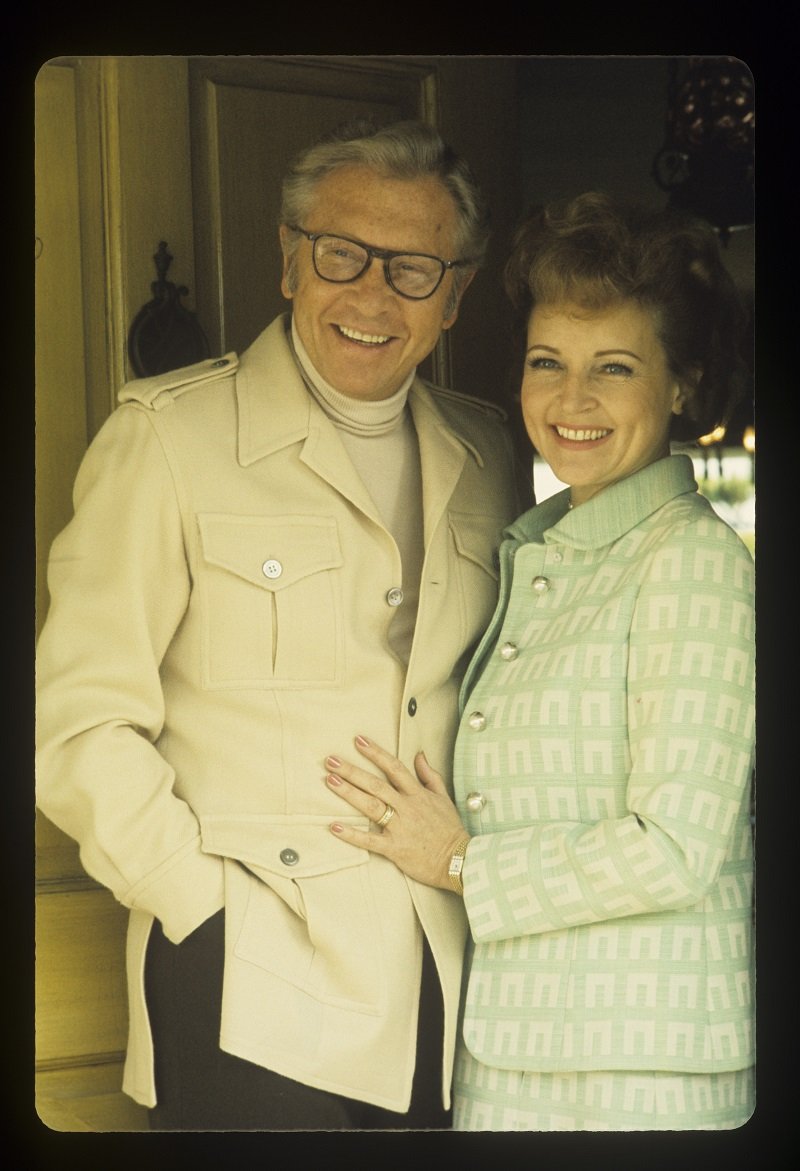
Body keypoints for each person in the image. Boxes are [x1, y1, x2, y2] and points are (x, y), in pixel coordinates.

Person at [35, 119, 522, 1131]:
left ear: (456, 294)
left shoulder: (490, 455)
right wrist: (196, 905)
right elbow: (75, 723)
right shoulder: (167, 439)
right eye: (342, 254)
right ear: (291, 260)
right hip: (244, 973)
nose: (372, 295)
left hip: (444, 970)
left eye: (413, 269)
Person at [323, 191, 756, 1131]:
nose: (572, 401)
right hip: (514, 1057)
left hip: (638, 1075)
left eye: (614, 367)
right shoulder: (542, 548)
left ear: (680, 383)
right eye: (547, 362)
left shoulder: (693, 562)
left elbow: (677, 851)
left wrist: (463, 863)